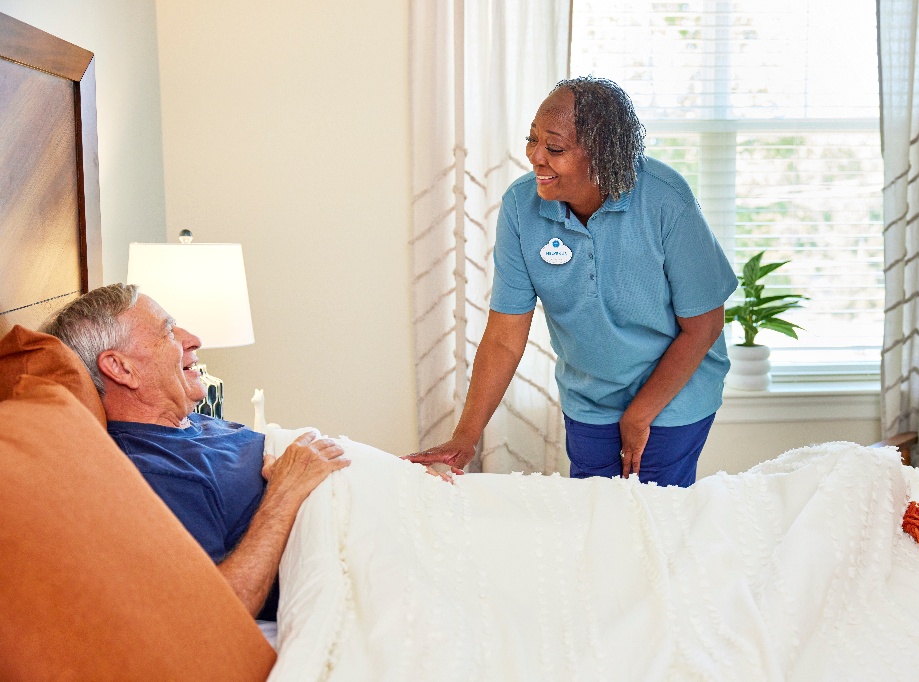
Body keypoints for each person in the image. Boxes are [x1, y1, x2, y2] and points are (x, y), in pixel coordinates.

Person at [41, 283, 448, 621]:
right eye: (167, 332)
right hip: (381, 554)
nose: (192, 340)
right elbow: (218, 611)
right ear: (121, 368)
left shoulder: (189, 424)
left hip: (411, 512)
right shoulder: (152, 471)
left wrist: (391, 474)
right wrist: (285, 493)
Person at [409, 76, 737, 487]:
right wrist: (466, 436)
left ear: (601, 154)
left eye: (555, 148)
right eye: (532, 140)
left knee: (657, 525)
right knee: (592, 520)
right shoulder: (520, 207)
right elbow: (504, 337)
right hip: (590, 400)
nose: (535, 157)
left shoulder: (666, 200)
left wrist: (640, 414)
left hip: (674, 397)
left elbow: (703, 325)